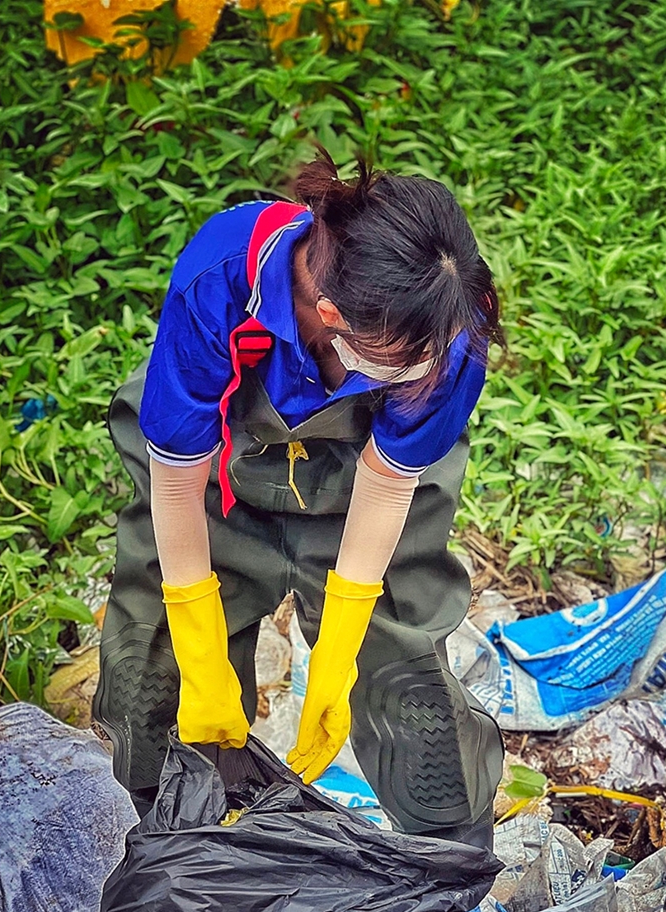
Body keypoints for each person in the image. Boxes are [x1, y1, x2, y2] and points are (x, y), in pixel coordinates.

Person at [93, 152, 505, 848]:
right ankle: (164, 850)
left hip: (362, 487)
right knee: (152, 662)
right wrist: (199, 650)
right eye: (407, 360)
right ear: (329, 314)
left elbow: (387, 481)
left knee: (402, 669)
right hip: (213, 470)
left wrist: (339, 652)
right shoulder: (220, 279)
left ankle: (447, 868)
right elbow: (175, 476)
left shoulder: (450, 334)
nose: (429, 370)